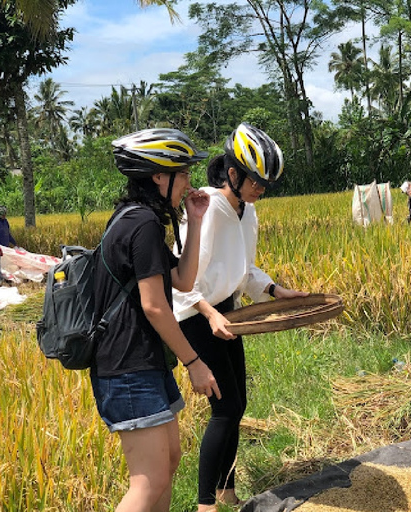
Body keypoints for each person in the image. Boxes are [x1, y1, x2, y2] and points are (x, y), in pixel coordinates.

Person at [173, 123, 309, 511]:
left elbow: (243, 269)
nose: (260, 190)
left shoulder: (246, 212)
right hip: (197, 315)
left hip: (226, 313)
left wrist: (276, 290)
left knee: (239, 402)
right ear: (232, 173)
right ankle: (205, 505)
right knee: (225, 408)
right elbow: (183, 279)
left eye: (266, 184)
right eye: (255, 181)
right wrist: (210, 313)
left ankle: (226, 490)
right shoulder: (208, 208)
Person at [91, 128, 219, 512]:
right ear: (158, 177)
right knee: (148, 482)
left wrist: (195, 222)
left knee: (169, 460)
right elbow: (155, 306)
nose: (188, 183)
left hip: (144, 361)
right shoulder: (141, 224)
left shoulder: (139, 219)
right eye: (182, 174)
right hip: (128, 366)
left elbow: (181, 281)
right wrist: (194, 363)